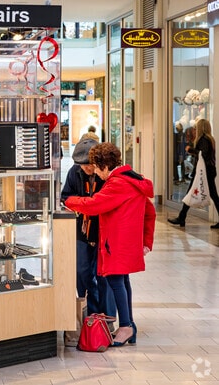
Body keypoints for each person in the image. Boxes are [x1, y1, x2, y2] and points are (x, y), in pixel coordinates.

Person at [64, 142, 155, 347]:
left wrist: (69, 201)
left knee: (115, 281)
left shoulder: (117, 183)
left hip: (116, 242)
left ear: (104, 165)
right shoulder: (133, 179)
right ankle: (129, 324)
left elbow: (94, 205)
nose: (95, 171)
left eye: (96, 167)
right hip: (125, 242)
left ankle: (125, 327)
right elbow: (151, 212)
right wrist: (146, 242)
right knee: (123, 282)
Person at [61, 138, 116, 330]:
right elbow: (65, 197)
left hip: (104, 231)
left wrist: (89, 204)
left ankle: (107, 320)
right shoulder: (74, 173)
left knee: (104, 276)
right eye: (82, 166)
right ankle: (91, 315)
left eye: (89, 166)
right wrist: (84, 204)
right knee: (82, 272)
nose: (86, 170)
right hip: (82, 231)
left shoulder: (107, 177)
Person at [168, 118, 219, 228]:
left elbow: (202, 154)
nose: (194, 130)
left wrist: (190, 150)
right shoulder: (209, 139)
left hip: (204, 171)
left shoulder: (204, 139)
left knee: (197, 193)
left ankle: (181, 218)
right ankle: (181, 217)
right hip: (208, 170)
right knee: (211, 195)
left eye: (196, 128)